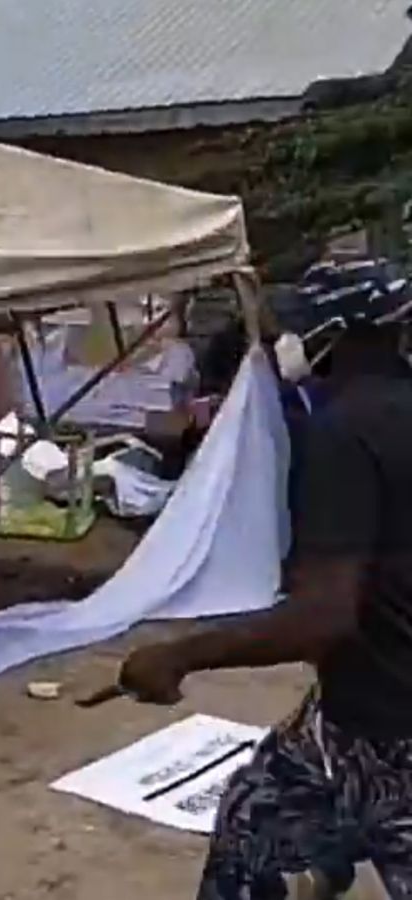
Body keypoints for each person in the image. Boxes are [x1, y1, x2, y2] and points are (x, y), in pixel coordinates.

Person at [110, 258, 412, 898]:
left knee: (266, 824)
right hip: (350, 717)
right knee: (259, 817)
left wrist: (179, 655)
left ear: (336, 335)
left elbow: (323, 616)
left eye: (299, 327)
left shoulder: (344, 432)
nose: (287, 343)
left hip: (388, 727)